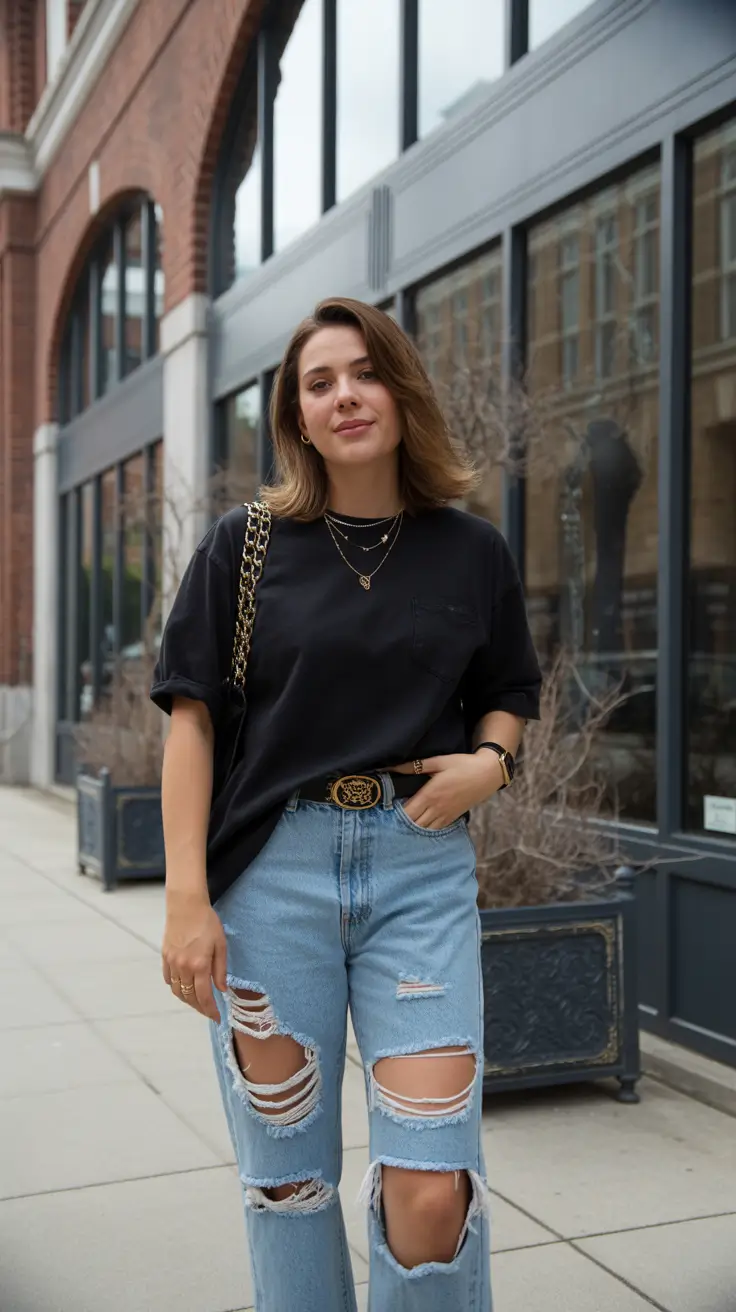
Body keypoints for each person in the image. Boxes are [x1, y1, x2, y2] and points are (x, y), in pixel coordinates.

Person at [150, 296, 541, 1312]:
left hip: (419, 872)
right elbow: (188, 720)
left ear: (400, 390)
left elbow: (513, 687)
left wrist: (489, 764)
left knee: (429, 1180)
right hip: (270, 877)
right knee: (286, 1181)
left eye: (363, 372)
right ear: (297, 414)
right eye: (317, 382)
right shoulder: (243, 547)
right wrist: (186, 898)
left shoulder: (471, 550)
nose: (344, 395)